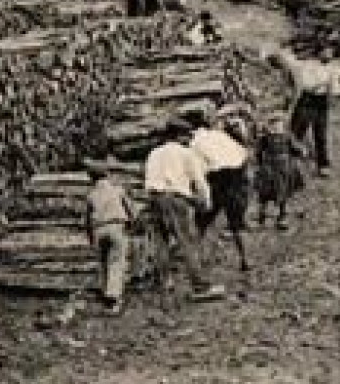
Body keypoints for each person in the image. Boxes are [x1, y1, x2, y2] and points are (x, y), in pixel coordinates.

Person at [143, 120, 216, 298]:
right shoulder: (185, 153)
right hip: (176, 199)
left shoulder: (154, 153)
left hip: (154, 197)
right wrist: (206, 201)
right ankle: (200, 286)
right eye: (186, 136)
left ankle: (165, 282)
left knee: (161, 242)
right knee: (187, 242)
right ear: (179, 136)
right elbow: (199, 180)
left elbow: (148, 180)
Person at [267, 48, 340, 176]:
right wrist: (323, 84)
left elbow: (335, 90)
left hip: (321, 102)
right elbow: (306, 84)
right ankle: (289, 163)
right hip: (307, 100)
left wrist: (339, 92)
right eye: (326, 52)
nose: (329, 55)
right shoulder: (308, 65)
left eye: (331, 52)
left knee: (321, 134)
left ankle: (323, 165)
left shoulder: (332, 69)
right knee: (297, 131)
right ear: (319, 52)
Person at [189, 112, 252, 277]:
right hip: (236, 177)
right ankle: (245, 259)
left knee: (201, 223)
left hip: (216, 180)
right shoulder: (222, 136)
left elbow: (198, 169)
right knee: (237, 223)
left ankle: (198, 260)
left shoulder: (196, 142)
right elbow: (244, 154)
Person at [83, 164, 137, 314]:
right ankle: (113, 298)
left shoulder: (91, 195)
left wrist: (90, 236)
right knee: (116, 262)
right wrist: (132, 223)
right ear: (106, 175)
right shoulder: (118, 190)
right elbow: (130, 210)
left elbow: (87, 219)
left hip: (99, 229)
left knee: (103, 262)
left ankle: (104, 291)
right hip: (116, 226)